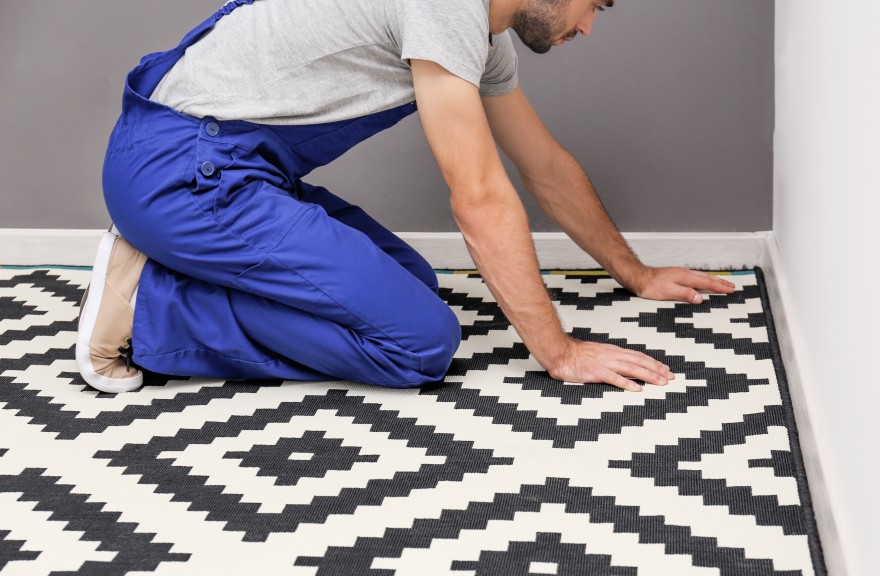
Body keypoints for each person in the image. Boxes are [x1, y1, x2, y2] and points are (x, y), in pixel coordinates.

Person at [77, 0, 735, 394]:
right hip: (181, 172)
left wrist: (635, 273)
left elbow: (545, 167)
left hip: (220, 166)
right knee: (419, 342)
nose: (588, 26)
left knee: (411, 284)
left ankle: (168, 261)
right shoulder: (446, 6)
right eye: (597, 4)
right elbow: (479, 198)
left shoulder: (480, 35)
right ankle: (149, 307)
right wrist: (558, 353)